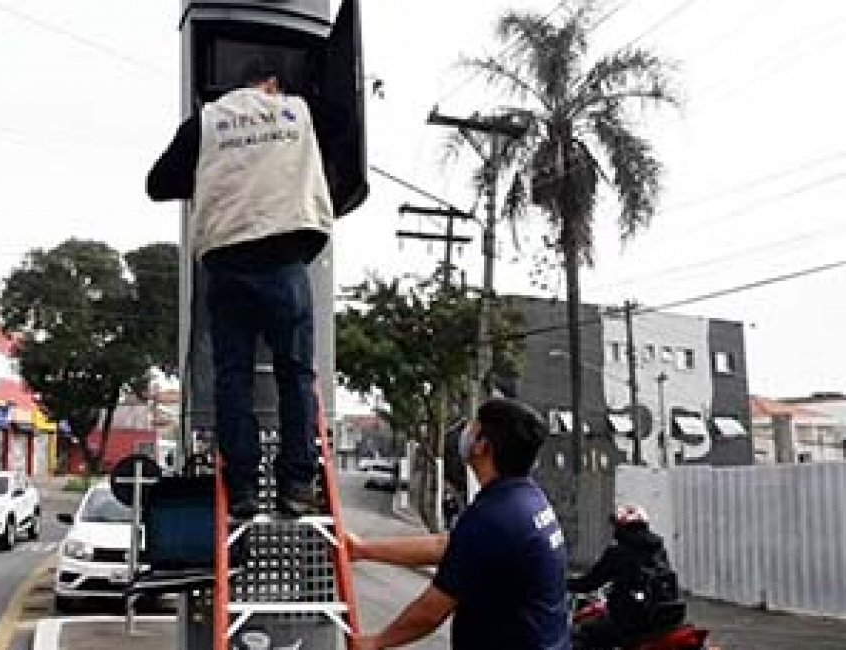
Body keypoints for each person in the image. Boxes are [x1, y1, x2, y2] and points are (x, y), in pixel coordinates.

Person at [146, 57, 334, 519]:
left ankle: (244, 489)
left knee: (234, 377)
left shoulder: (206, 123)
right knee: (295, 376)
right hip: (285, 258)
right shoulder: (298, 112)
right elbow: (344, 143)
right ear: (271, 84)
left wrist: (216, 168)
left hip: (227, 263)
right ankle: (295, 484)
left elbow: (158, 183)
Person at [347, 398, 570, 649]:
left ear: (481, 446)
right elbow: (447, 546)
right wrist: (362, 550)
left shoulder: (493, 518)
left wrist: (376, 642)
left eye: (473, 427)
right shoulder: (525, 498)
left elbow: (431, 611)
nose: (465, 431)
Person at [568, 505, 683, 648]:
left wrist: (563, 583)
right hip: (659, 620)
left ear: (621, 527)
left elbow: (588, 584)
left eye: (616, 525)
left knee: (585, 631)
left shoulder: (618, 552)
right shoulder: (658, 550)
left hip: (632, 623)